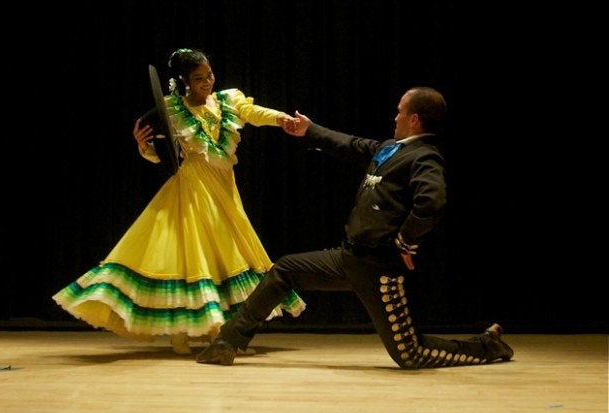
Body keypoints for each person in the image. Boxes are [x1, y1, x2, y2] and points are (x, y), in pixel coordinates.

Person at [196, 86, 514, 368]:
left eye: (400, 111)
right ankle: (227, 342)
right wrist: (309, 130)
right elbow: (350, 145)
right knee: (285, 270)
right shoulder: (392, 148)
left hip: (379, 267)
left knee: (410, 355)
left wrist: (406, 240)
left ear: (415, 119)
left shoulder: (424, 157)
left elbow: (432, 201)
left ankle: (487, 346)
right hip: (348, 259)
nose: (395, 116)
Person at [53, 48, 306, 355]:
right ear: (184, 81)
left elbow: (254, 112)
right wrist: (143, 145)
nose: (207, 81)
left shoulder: (227, 100)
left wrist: (281, 119)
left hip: (224, 190)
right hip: (191, 187)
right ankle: (184, 331)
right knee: (191, 254)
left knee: (222, 254)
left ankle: (214, 330)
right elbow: (160, 152)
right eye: (199, 78)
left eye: (209, 75)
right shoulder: (172, 109)